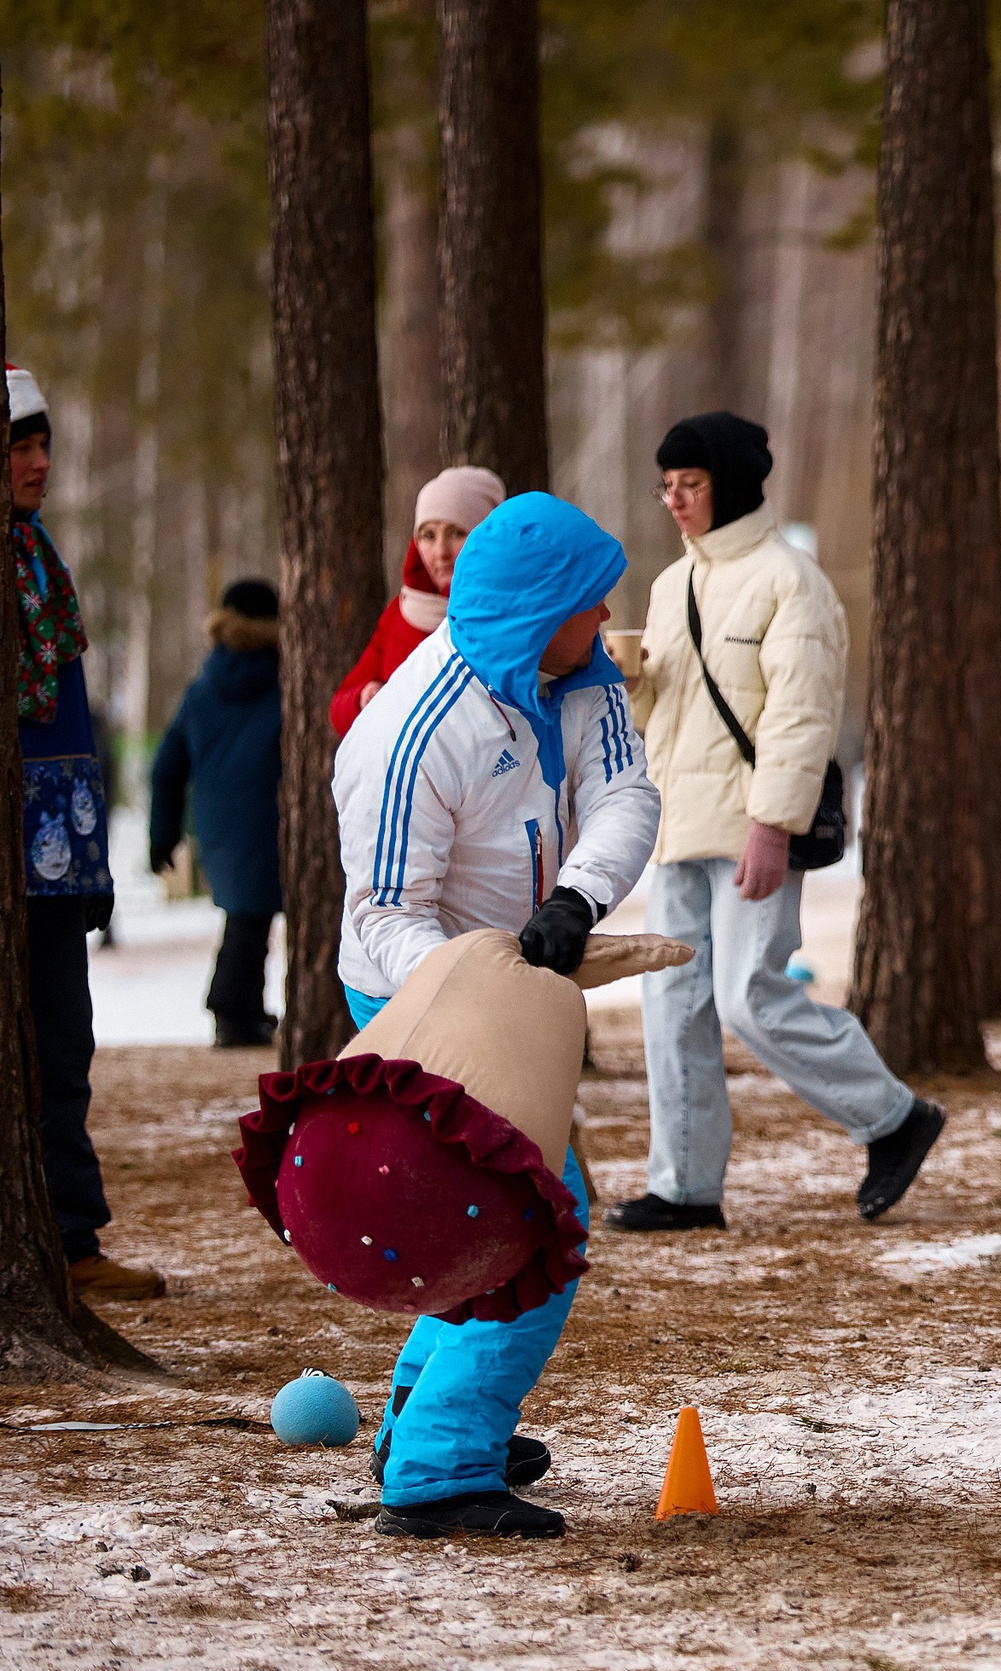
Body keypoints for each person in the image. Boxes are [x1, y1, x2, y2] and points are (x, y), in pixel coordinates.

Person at [335, 491, 659, 1539]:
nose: (605, 622)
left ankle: (419, 1421)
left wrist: (578, 897)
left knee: (486, 1217)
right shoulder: (411, 729)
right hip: (416, 994)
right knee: (531, 1225)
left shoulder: (582, 677)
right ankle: (440, 1470)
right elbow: (383, 911)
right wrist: (474, 992)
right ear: (539, 609)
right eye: (589, 605)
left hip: (523, 982)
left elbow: (624, 793)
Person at [609, 411, 943, 1234]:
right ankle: (684, 1186)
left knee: (749, 997)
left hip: (755, 828)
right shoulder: (671, 584)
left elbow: (803, 717)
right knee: (672, 1004)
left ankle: (893, 1117)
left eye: (690, 484)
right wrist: (634, 680)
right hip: (683, 825)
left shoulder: (792, 582)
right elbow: (667, 718)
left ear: (730, 485)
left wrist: (773, 826)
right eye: (667, 486)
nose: (674, 500)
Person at [7, 365, 162, 1301]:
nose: (39, 463)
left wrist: (91, 854)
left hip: (57, 858)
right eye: (19, 446)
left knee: (65, 1046)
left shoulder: (38, 556)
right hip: (13, 862)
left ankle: (69, 1237)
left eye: (42, 444)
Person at [149, 580, 283, 1048]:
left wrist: (163, 835)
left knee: (246, 917)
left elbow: (166, 767)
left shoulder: (204, 688)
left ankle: (241, 1010)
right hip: (273, 816)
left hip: (218, 824)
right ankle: (233, 1013)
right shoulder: (290, 682)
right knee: (255, 921)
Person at [329, 467, 505, 736]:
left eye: (457, 533)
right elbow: (339, 708)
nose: (441, 552)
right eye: (428, 535)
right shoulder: (402, 612)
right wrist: (364, 697)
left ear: (485, 538)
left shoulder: (507, 613)